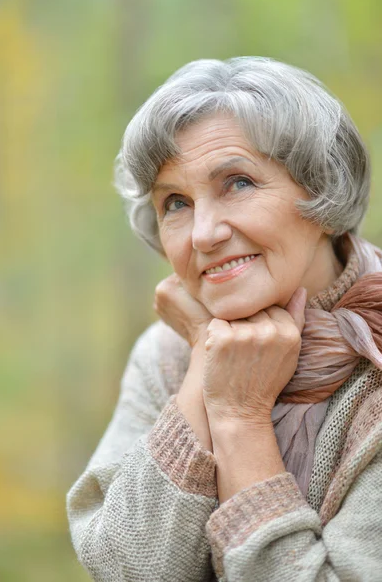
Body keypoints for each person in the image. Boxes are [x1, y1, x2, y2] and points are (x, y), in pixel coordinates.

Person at [66, 57, 382, 581]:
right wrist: (203, 360)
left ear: (322, 187)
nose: (203, 234)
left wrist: (239, 417)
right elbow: (124, 569)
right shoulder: (165, 353)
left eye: (237, 183)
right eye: (175, 203)